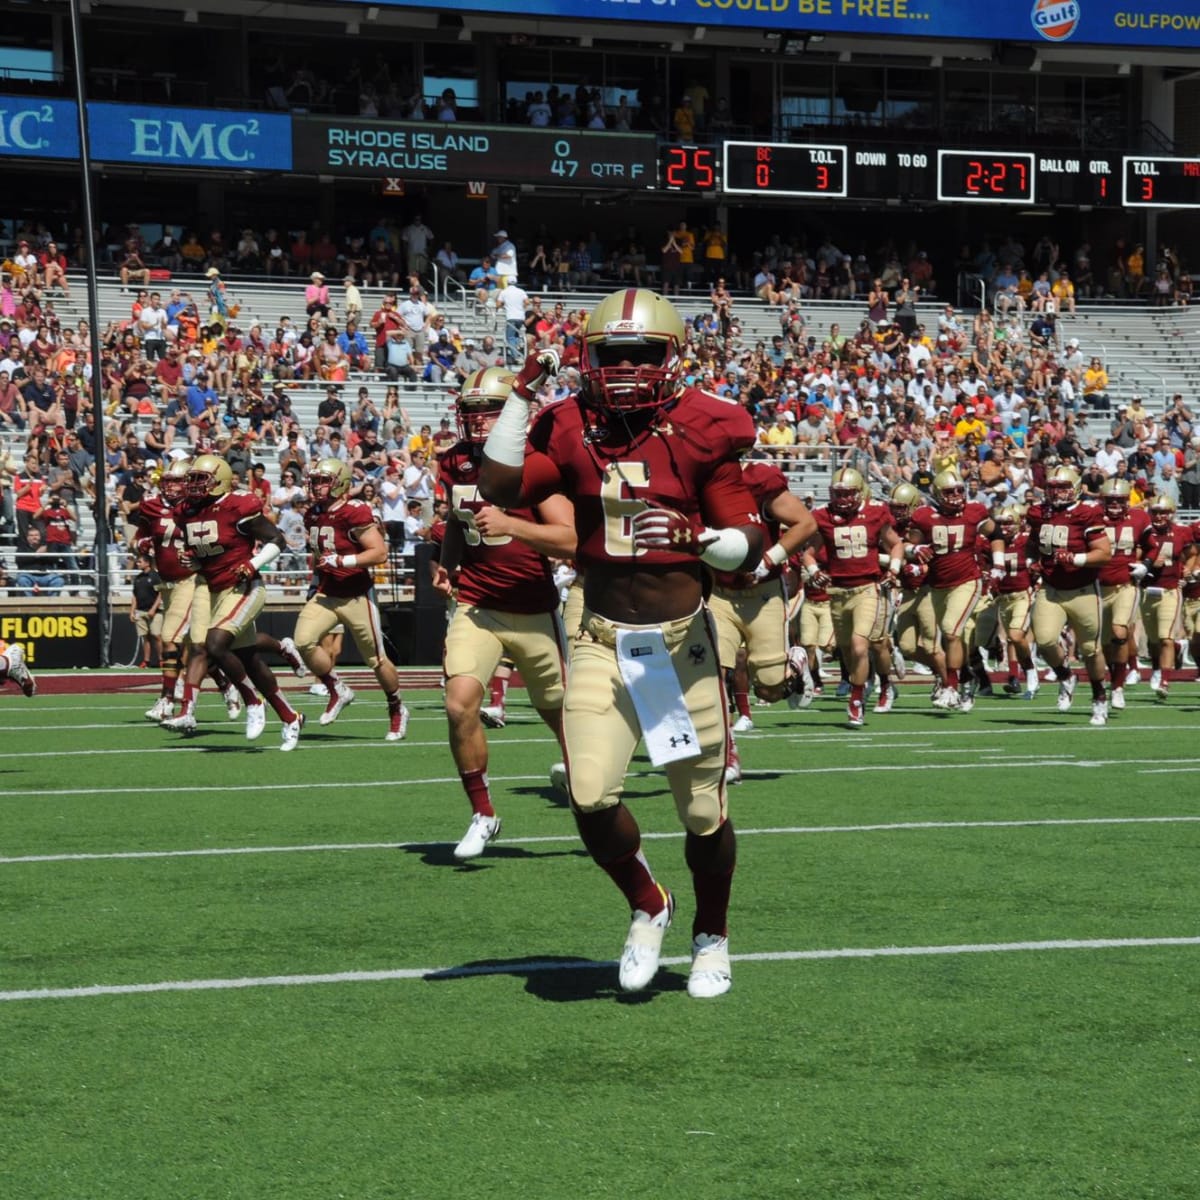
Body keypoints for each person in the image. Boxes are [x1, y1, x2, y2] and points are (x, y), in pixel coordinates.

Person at [480, 288, 765, 999]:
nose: (627, 369)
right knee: (588, 792)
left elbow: (750, 542)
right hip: (603, 639)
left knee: (701, 810)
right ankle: (648, 904)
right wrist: (519, 397)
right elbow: (499, 483)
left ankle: (712, 934)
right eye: (613, 354)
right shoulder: (568, 422)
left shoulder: (707, 425)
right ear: (587, 358)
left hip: (680, 650)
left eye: (643, 354)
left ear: (672, 359)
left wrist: (700, 538)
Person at [433, 366, 574, 859]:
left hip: (535, 610)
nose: (478, 420)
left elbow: (569, 539)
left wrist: (513, 523)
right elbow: (456, 519)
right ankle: (483, 813)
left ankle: (590, 788)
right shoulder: (452, 462)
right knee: (458, 704)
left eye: (489, 410)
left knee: (565, 721)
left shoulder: (532, 464)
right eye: (471, 411)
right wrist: (446, 566)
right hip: (477, 605)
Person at [162, 454, 304, 749]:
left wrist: (254, 564)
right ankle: (290, 717)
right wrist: (191, 561)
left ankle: (253, 701)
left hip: (245, 587)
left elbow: (277, 539)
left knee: (214, 645)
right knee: (249, 660)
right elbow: (203, 558)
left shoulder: (237, 505)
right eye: (193, 478)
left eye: (202, 479)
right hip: (214, 588)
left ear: (220, 481)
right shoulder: (186, 512)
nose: (194, 485)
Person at [293, 458, 411, 740]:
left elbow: (379, 553)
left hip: (356, 594)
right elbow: (319, 557)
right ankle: (337, 689)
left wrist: (343, 560)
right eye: (316, 480)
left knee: (376, 659)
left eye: (324, 481)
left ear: (341, 483)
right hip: (326, 592)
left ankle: (396, 707)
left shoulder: (354, 511)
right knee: (303, 641)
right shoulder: (312, 515)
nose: (317, 486)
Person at [801, 468, 904, 727]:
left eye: (848, 494)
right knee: (847, 652)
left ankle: (856, 702)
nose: (843, 499)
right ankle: (863, 684)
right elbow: (808, 553)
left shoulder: (875, 513)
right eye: (838, 494)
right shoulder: (822, 517)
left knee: (861, 645)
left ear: (859, 493)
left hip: (867, 589)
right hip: (837, 592)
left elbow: (896, 543)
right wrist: (814, 572)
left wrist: (893, 569)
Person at [906, 470, 1003, 711]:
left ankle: (950, 686)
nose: (956, 496)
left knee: (950, 631)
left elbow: (996, 533)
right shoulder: (924, 516)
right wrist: (914, 552)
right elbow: (910, 543)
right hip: (939, 585)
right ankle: (968, 679)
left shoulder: (974, 511)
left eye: (960, 490)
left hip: (968, 581)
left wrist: (999, 563)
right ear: (937, 494)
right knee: (955, 637)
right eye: (950, 492)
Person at [1024, 465, 1113, 726]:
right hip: (1051, 588)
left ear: (1074, 488)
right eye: (1052, 487)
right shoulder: (1039, 512)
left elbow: (1104, 553)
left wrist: (1076, 558)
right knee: (1044, 639)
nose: (1057, 493)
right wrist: (1031, 561)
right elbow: (1032, 543)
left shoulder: (1087, 512)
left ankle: (1099, 697)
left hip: (1083, 589)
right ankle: (1066, 676)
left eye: (1063, 487)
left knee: (1090, 649)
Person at [1096, 478, 1151, 711]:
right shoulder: (1092, 518)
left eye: (1119, 500)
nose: (1115, 505)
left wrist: (1146, 564)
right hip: (1097, 587)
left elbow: (1152, 545)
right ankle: (1116, 677)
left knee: (1120, 632)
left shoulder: (1139, 518)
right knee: (1106, 643)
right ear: (1103, 501)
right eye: (1111, 501)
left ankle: (1118, 688)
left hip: (1126, 585)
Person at [129, 552, 163, 669]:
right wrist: (132, 611)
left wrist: (153, 609)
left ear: (147, 563)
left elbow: (160, 593)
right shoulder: (138, 578)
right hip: (141, 611)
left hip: (154, 611)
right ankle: (146, 661)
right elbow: (134, 596)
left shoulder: (155, 576)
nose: (137, 564)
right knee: (145, 637)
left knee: (156, 635)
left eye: (140, 562)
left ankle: (161, 660)